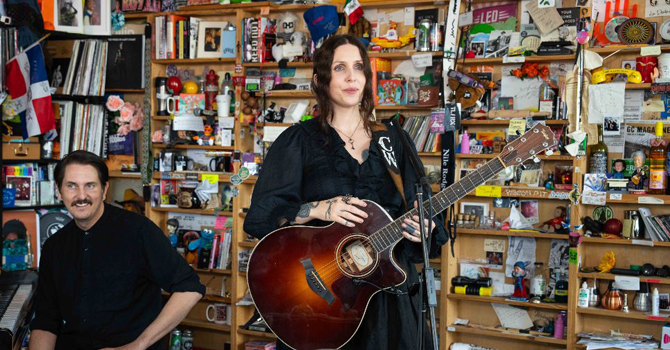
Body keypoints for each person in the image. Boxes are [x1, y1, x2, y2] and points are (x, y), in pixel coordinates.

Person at [242, 34, 448, 350]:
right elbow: (260, 218)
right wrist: (317, 208)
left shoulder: (394, 140)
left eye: (358, 68)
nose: (352, 77)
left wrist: (426, 228)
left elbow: (426, 214)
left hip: (388, 304)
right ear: (320, 80)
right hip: (323, 304)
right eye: (340, 68)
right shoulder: (298, 141)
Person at [30, 150, 204, 350]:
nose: (81, 196)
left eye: (90, 186)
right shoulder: (54, 246)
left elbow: (190, 288)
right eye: (71, 186)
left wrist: (137, 346)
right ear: (59, 191)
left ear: (104, 190)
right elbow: (45, 322)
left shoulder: (139, 231)